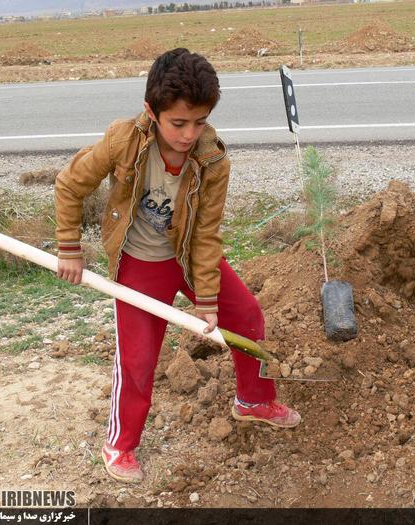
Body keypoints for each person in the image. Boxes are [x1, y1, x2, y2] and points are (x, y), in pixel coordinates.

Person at [54, 48, 301, 484]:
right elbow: (70, 185)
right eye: (178, 123)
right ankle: (121, 443)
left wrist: (207, 299)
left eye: (200, 121)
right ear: (152, 112)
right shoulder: (123, 139)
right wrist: (69, 247)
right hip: (139, 264)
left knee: (245, 315)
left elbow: (206, 234)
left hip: (187, 257)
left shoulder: (213, 160)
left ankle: (253, 401)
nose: (189, 134)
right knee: (138, 359)